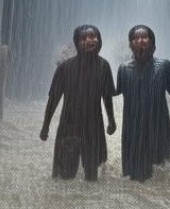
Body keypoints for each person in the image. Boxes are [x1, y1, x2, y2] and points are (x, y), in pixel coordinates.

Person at [115, 25, 170, 182]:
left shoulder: (164, 66)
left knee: (161, 172)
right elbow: (113, 92)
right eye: (135, 38)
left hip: (158, 128)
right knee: (132, 177)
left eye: (144, 37)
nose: (140, 41)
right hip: (132, 131)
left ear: (153, 44)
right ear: (130, 45)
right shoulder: (123, 69)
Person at [40, 25, 117, 181]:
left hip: (94, 129)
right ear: (77, 43)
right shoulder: (64, 69)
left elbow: (107, 97)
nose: (90, 40)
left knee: (92, 177)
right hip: (69, 128)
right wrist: (45, 125)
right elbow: (53, 99)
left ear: (99, 40)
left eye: (94, 36)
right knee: (63, 178)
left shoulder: (104, 67)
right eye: (84, 37)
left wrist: (111, 121)